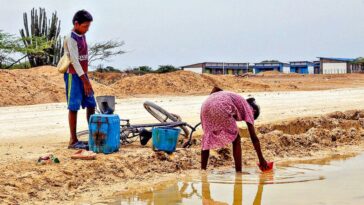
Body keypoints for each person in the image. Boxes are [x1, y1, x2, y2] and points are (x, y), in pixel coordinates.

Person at [200, 87, 269, 172]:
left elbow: (215, 88)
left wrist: (212, 104)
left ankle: (202, 170)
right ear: (253, 111)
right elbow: (253, 137)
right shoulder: (249, 109)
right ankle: (239, 172)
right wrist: (261, 159)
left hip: (205, 105)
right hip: (220, 106)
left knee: (207, 137)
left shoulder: (238, 100)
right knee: (236, 139)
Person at [64, 10, 96, 149]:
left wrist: (86, 78)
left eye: (88, 26)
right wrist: (85, 81)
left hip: (83, 75)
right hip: (73, 75)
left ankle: (94, 135)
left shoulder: (82, 35)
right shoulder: (70, 38)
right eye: (85, 26)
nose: (87, 29)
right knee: (73, 106)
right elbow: (75, 61)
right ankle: (73, 140)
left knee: (91, 104)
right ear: (76, 24)